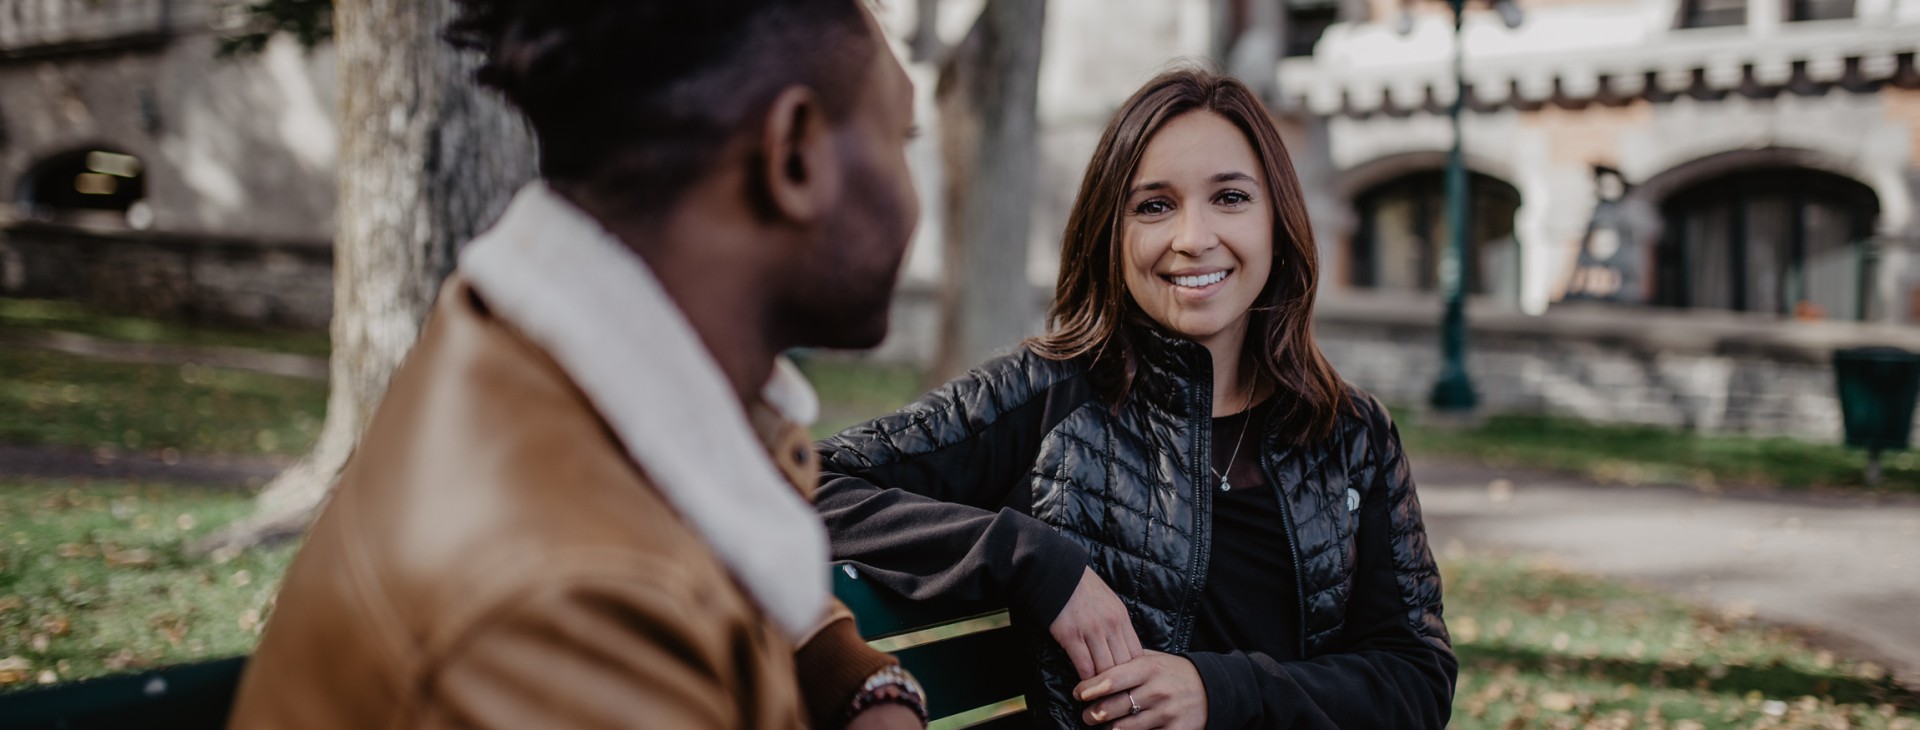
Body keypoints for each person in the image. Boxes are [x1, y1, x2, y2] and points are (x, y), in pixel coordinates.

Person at [229, 1, 929, 728]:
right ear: (794, 154)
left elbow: (702, 550)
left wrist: (854, 682)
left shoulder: (536, 355)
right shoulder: (563, 614)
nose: (915, 198)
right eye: (902, 137)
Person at [816, 68, 1455, 729]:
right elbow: (801, 484)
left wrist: (1218, 691)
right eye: (1154, 205)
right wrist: (1029, 558)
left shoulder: (1351, 435)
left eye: (1230, 198)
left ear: (1278, 221)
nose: (1193, 237)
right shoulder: (1046, 396)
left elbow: (1417, 680)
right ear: (1111, 234)